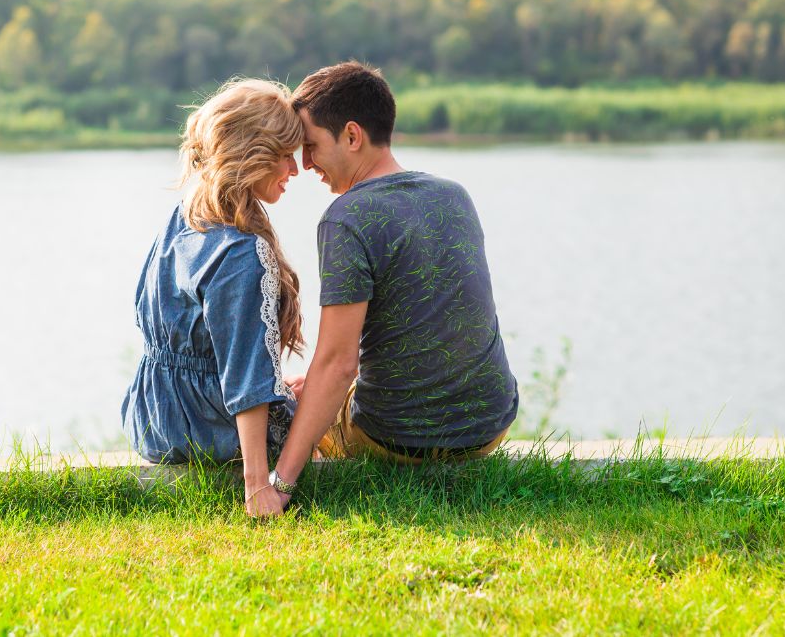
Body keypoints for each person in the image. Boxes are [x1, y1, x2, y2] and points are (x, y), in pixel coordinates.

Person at [266, 62, 519, 506]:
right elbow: (433, 320)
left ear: (351, 135)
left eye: (310, 146)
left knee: (282, 406)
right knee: (317, 388)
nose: (305, 165)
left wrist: (281, 484)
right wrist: (331, 383)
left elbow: (337, 362)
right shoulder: (454, 195)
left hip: (399, 440)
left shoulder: (347, 218)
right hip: (488, 425)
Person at [120, 79, 305, 517]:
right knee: (336, 399)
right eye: (283, 156)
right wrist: (258, 486)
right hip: (205, 429)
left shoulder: (187, 216)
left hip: (151, 418)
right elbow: (246, 378)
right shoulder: (241, 251)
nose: (295, 170)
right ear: (251, 155)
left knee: (299, 390)